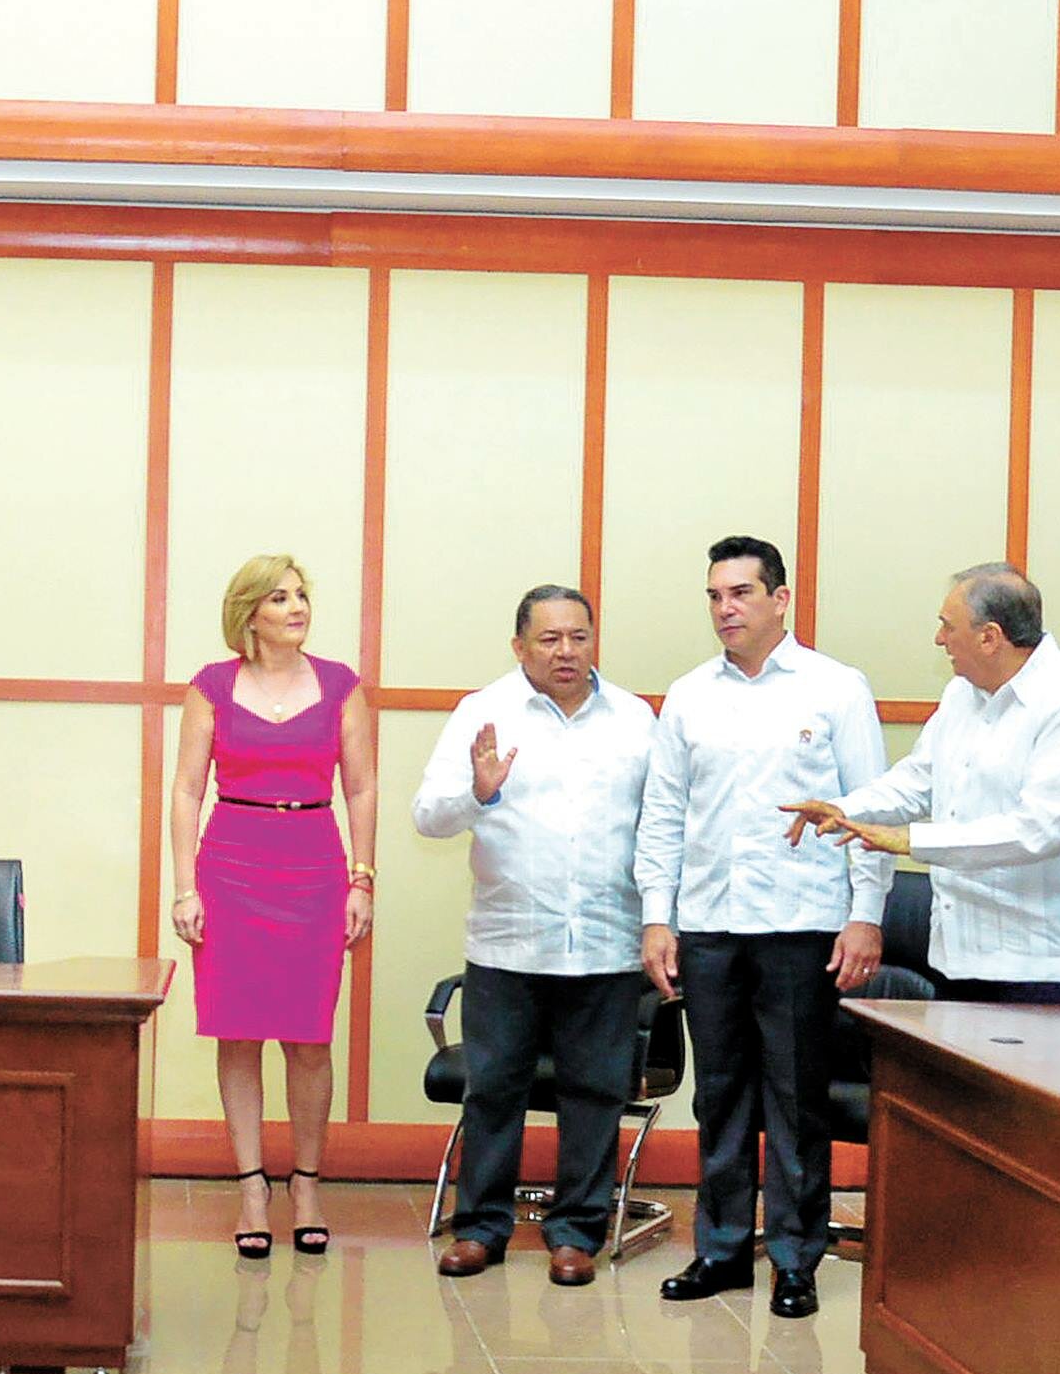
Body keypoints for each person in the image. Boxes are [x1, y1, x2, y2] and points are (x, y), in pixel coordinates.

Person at [635, 535, 890, 1319]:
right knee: (719, 1097)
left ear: (781, 599)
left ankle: (794, 1258)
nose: (726, 608)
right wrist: (657, 916)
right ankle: (720, 1249)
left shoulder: (835, 688)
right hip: (710, 924)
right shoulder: (689, 695)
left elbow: (867, 810)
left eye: (741, 592)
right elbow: (663, 813)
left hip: (800, 924)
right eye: (715, 595)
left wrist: (865, 915)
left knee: (795, 1098)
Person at [412, 585, 655, 1288]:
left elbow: (663, 825)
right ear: (519, 646)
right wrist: (478, 792)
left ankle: (576, 1232)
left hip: (606, 941)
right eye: (549, 639)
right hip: (508, 943)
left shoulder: (636, 720)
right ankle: (480, 1228)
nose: (566, 651)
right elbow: (428, 816)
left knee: (594, 1094)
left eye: (579, 636)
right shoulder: (482, 712)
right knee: (494, 1090)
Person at [786, 562, 1060, 1006]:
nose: (939, 639)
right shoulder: (961, 693)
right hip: (958, 955)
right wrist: (846, 809)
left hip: (1041, 962)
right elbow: (918, 780)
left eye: (947, 626)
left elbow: (1039, 829)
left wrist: (910, 841)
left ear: (990, 637)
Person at [170, 555, 377, 1258]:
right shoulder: (211, 686)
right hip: (231, 867)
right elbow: (187, 790)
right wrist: (185, 887)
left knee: (309, 1037)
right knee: (238, 1034)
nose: (297, 608)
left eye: (301, 595)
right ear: (250, 613)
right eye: (281, 598)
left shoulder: (341, 686)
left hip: (313, 867)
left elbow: (361, 788)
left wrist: (362, 879)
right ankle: (252, 1188)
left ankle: (307, 1184)